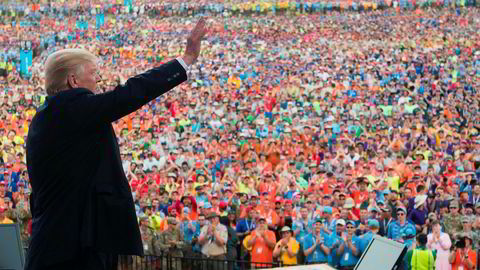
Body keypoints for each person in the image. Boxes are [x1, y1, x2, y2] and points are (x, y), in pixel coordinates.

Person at [24, 19, 208, 270]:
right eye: (93, 74)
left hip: (61, 239)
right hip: (71, 247)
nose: (98, 81)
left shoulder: (49, 115)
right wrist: (186, 59)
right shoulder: (69, 109)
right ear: (73, 81)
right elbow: (129, 94)